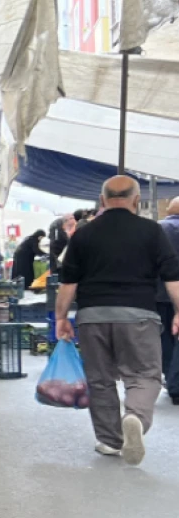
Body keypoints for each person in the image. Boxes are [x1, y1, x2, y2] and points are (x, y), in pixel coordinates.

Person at [55, 176, 179, 465]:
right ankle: (134, 417)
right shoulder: (152, 230)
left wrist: (61, 317)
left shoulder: (84, 234)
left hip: (92, 316)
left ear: (102, 201)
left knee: (101, 380)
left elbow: (68, 283)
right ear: (137, 200)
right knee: (144, 375)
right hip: (138, 316)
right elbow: (173, 277)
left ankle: (110, 441)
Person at [161, 197, 179, 403]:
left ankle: (169, 375)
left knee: (164, 336)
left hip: (158, 291)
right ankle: (175, 382)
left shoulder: (158, 228)